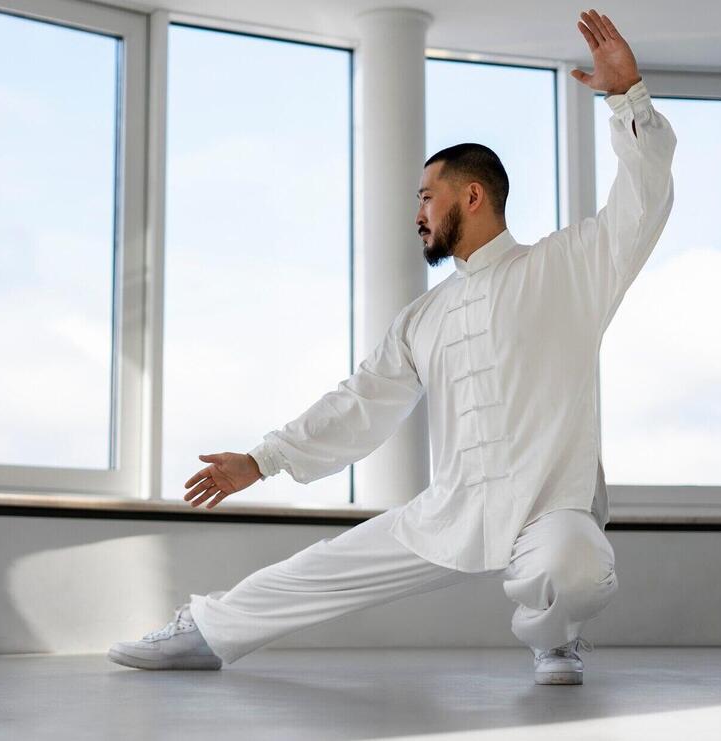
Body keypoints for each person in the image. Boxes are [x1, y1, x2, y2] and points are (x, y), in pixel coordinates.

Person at [109, 9, 676, 685]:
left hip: (552, 508)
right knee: (320, 565)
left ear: (471, 195)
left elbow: (642, 200)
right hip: (453, 509)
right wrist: (262, 460)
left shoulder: (570, 266)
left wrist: (628, 97)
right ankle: (204, 631)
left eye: (426, 198)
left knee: (572, 564)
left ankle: (556, 639)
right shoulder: (424, 317)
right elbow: (358, 405)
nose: (418, 215)